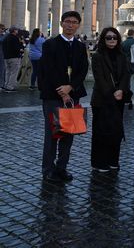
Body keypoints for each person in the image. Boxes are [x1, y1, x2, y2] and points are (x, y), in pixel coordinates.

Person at [39, 11, 89, 182]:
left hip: (73, 94)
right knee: (53, 133)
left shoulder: (81, 46)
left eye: (74, 22)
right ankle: (48, 169)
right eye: (67, 21)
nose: (70, 25)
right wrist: (61, 90)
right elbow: (47, 69)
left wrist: (71, 87)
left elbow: (82, 70)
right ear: (61, 23)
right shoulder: (50, 44)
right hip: (53, 95)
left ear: (78, 25)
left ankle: (62, 168)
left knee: (69, 132)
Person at [90, 27, 131, 172]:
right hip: (102, 99)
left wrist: (121, 90)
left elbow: (127, 74)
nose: (112, 40)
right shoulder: (97, 56)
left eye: (114, 37)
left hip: (118, 98)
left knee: (116, 131)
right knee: (101, 132)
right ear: (103, 39)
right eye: (108, 37)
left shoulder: (122, 55)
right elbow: (99, 78)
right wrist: (112, 92)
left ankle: (113, 159)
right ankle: (99, 162)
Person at [2, 27, 24, 92]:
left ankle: (6, 85)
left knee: (8, 72)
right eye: (16, 30)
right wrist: (21, 49)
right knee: (14, 72)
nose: (17, 31)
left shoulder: (6, 37)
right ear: (14, 31)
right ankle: (10, 86)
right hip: (14, 57)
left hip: (6, 57)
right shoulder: (14, 38)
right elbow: (16, 48)